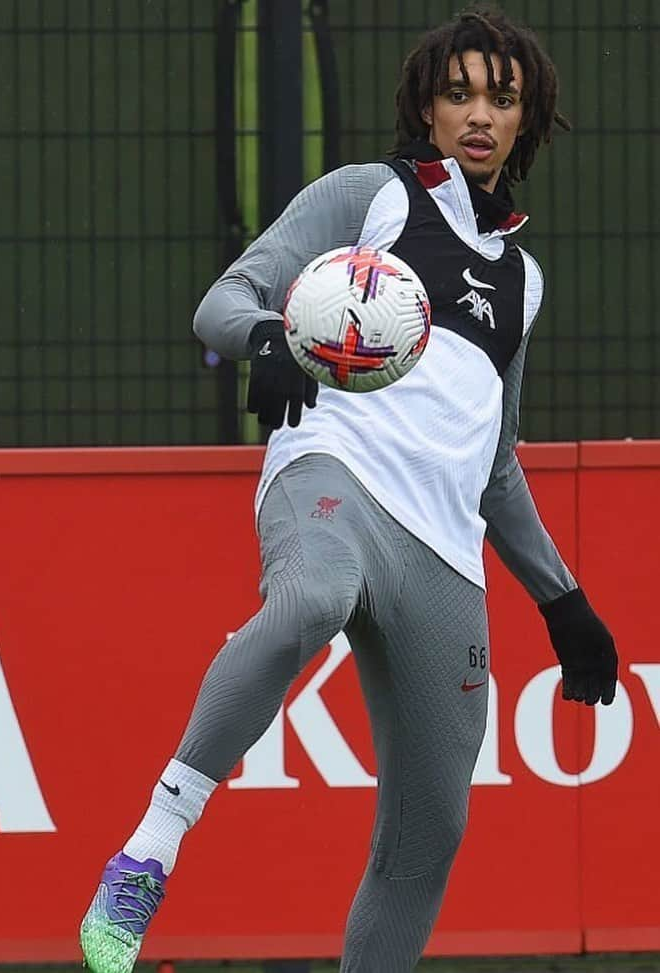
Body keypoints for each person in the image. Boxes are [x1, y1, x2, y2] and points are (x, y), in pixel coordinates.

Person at [80, 8, 618, 972]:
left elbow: (495, 463)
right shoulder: (370, 194)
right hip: (334, 472)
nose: (479, 114)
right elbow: (221, 304)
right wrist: (270, 341)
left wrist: (563, 600)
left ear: (528, 119)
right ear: (424, 104)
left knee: (431, 835)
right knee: (312, 600)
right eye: (458, 93)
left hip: (444, 552)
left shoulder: (524, 282)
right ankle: (146, 855)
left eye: (502, 96)